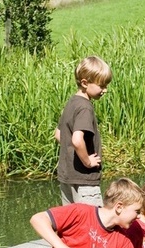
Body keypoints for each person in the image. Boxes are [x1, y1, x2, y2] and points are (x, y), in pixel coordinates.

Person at [54, 56, 112, 207]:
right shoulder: (85, 107)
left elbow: (59, 134)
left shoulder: (72, 102)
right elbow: (77, 139)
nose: (105, 90)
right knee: (92, 224)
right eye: (102, 85)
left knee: (72, 225)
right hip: (84, 180)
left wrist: (73, 153)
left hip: (67, 177)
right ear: (85, 83)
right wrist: (87, 161)